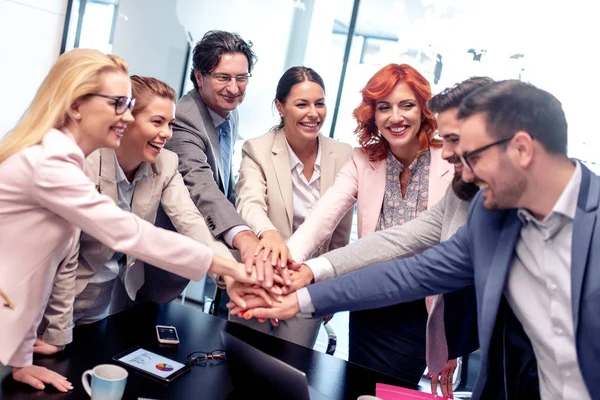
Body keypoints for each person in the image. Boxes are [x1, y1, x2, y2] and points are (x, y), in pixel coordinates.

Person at [247, 80, 596, 400]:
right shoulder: (488, 218)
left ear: (521, 150)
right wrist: (302, 297)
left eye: (469, 152)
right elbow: (409, 271)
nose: (449, 157)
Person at [0, 49, 253, 392]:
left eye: (129, 105)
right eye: (118, 103)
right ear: (76, 104)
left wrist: (20, 362)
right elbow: (127, 232)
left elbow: (36, 267)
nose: (126, 116)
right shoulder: (50, 165)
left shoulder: (62, 158)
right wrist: (232, 268)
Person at [265, 76, 492, 397]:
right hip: (370, 303)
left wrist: (303, 299)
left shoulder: (463, 175)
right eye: (384, 107)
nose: (449, 150)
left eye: (407, 105)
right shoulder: (369, 161)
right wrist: (302, 270)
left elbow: (422, 271)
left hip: (426, 312)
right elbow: (385, 239)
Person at [149, 30, 285, 308]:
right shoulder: (183, 120)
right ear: (199, 77)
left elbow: (225, 182)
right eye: (223, 77)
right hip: (154, 266)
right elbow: (203, 188)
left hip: (193, 261)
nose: (234, 88)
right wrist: (245, 238)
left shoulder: (228, 112)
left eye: (242, 78)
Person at [233, 66, 353, 347]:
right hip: (259, 278)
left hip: (308, 284)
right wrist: (268, 233)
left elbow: (340, 235)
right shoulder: (257, 148)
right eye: (302, 104)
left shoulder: (344, 155)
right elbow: (249, 202)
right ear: (280, 106)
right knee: (244, 363)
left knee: (291, 367)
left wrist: (330, 288)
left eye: (319, 103)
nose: (313, 113)